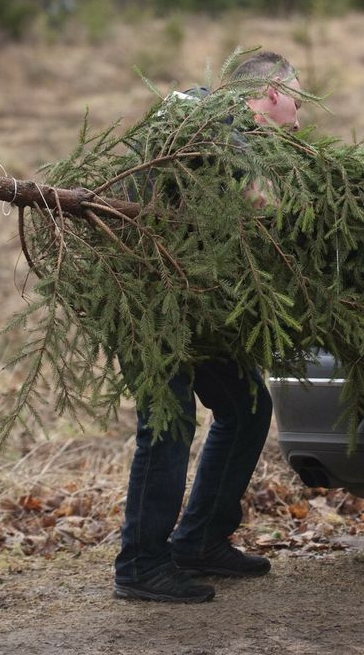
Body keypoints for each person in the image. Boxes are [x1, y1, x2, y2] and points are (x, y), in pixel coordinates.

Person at [113, 52, 301, 604]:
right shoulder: (201, 119)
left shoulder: (227, 130)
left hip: (196, 306)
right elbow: (250, 189)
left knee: (246, 407)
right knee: (167, 426)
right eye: (297, 96)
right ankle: (141, 565)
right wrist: (259, 181)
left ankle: (199, 539)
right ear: (269, 91)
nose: (300, 111)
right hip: (150, 306)